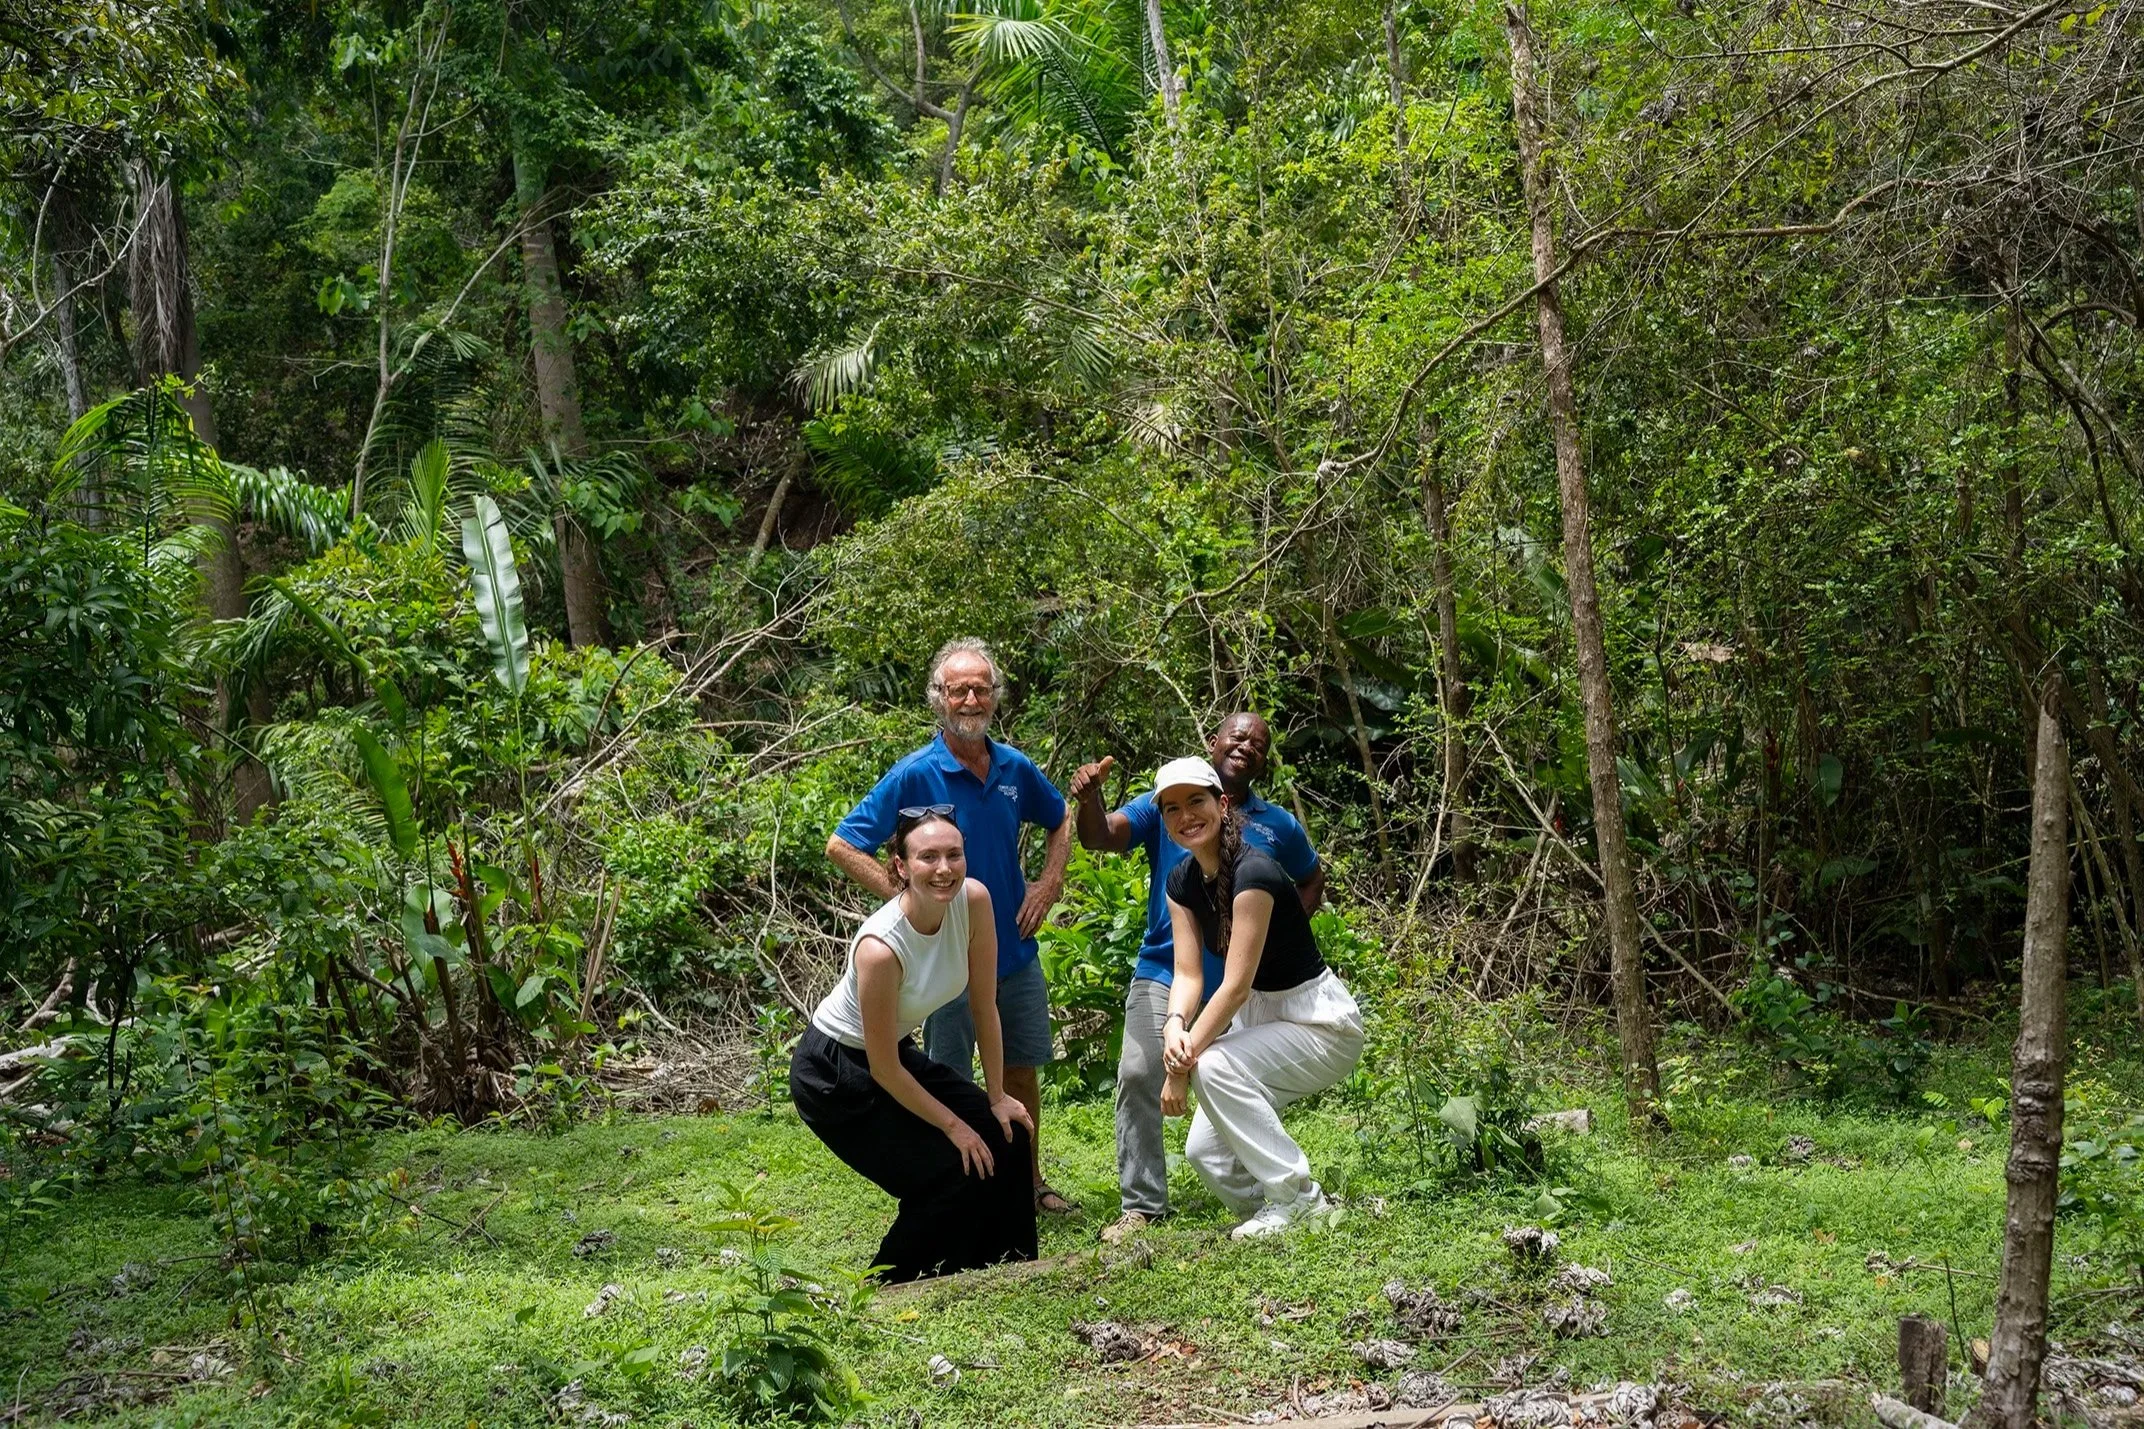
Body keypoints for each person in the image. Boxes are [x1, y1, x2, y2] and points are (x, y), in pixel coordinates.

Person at [825, 637, 1077, 1215]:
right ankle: (965, 1188)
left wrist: (1047, 884)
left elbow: (1060, 818)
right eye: (958, 689)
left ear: (994, 697)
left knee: (1018, 1068)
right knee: (950, 1077)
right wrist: (906, 896)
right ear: (938, 698)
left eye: (980, 688)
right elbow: (842, 844)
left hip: (1012, 949)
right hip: (943, 964)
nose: (970, 699)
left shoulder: (1014, 767)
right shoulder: (916, 773)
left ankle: (1028, 1183)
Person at [1067, 713, 1324, 1244]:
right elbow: (1101, 837)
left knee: (1228, 1074)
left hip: (1242, 986)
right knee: (1140, 1069)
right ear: (1214, 741)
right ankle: (1143, 1206)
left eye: (1258, 742)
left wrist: (1277, 936)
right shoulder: (1171, 798)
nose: (1246, 745)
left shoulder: (1277, 825)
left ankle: (1283, 1196)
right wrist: (1089, 799)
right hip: (1169, 968)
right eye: (1237, 735)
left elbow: (1310, 876)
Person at [791, 808, 1039, 1281]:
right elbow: (883, 1071)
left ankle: (1009, 1269)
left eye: (953, 854)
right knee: (948, 1168)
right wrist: (955, 1126)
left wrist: (997, 1096)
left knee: (1007, 1138)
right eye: (928, 857)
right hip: (835, 1073)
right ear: (901, 867)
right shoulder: (881, 948)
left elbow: (984, 1006)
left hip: (891, 1056)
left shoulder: (975, 903)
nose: (944, 868)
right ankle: (885, 1285)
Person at [1153, 757, 1364, 1241]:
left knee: (1212, 1066)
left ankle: (1300, 1200)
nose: (1186, 815)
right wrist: (1173, 1026)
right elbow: (1187, 972)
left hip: (1318, 1023)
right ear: (1164, 821)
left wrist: (1178, 1068)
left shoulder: (1256, 872)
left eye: (1196, 802)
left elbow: (1235, 986)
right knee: (1205, 1152)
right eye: (1172, 809)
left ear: (1222, 804)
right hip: (1262, 1020)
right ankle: (1281, 1210)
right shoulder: (1182, 882)